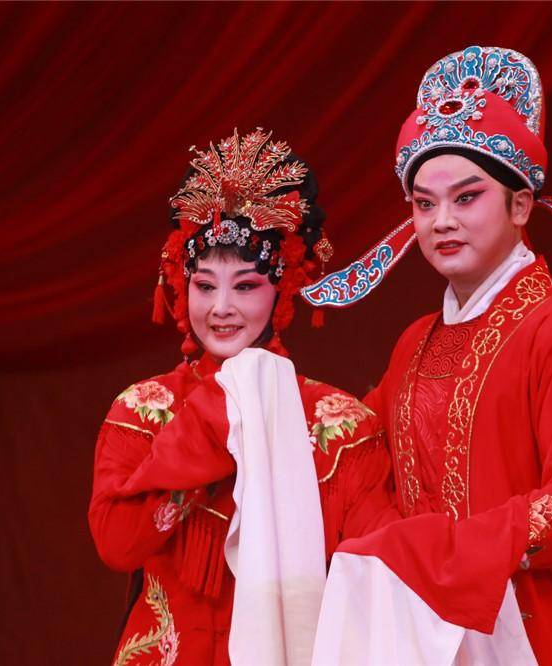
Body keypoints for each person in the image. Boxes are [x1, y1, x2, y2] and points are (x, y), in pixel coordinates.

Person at [305, 46, 552, 665]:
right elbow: (359, 452)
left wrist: (442, 552)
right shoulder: (415, 344)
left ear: (521, 205)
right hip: (427, 636)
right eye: (425, 204)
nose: (442, 221)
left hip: (544, 634)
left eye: (467, 197)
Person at [88, 128, 395, 666]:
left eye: (246, 286)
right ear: (182, 285)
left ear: (283, 288)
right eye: (206, 285)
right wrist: (212, 426)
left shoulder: (340, 427)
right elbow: (117, 543)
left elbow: (381, 568)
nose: (221, 308)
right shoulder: (145, 409)